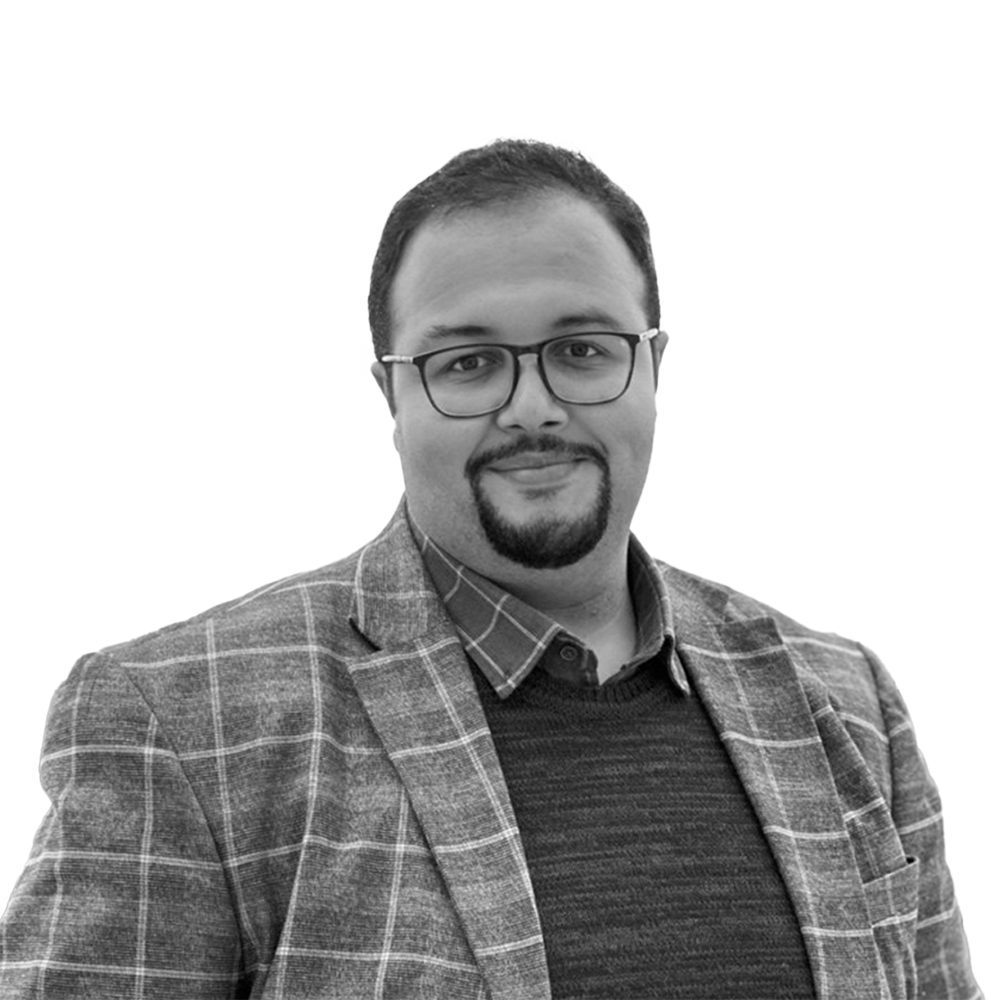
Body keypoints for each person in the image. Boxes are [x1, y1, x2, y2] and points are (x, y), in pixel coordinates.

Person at [0, 137, 980, 1000]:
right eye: (467, 363)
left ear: (654, 366)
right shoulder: (183, 721)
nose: (532, 408)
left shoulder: (843, 701)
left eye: (582, 349)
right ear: (391, 395)